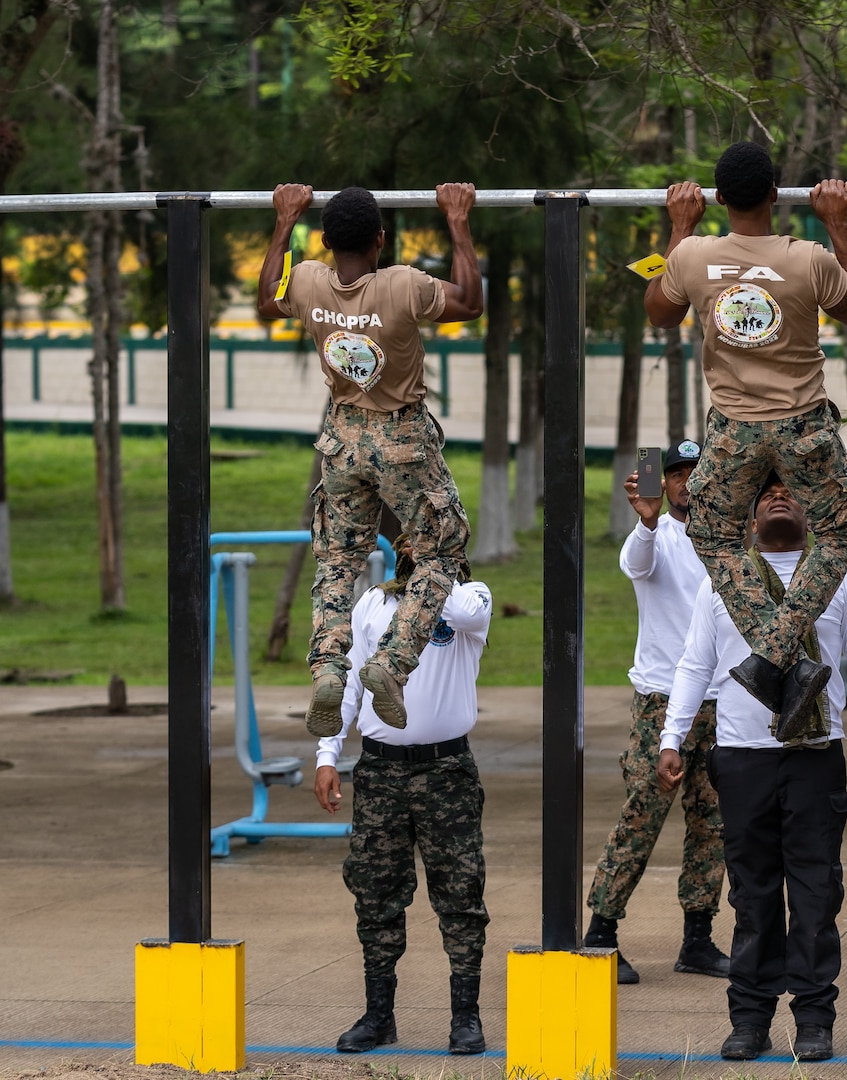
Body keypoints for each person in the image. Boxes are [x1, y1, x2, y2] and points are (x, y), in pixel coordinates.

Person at [656, 473, 847, 1064]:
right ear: (749, 514)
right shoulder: (725, 585)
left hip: (814, 761)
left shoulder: (837, 583)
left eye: (789, 488)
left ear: (812, 510)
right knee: (753, 895)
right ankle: (750, 1018)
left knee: (817, 894)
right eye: (764, 491)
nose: (777, 496)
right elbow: (694, 666)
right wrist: (671, 735)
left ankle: (815, 1018)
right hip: (742, 761)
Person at [646, 141, 847, 740]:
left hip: (734, 430)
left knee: (712, 534)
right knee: (844, 529)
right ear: (777, 195)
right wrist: (839, 225)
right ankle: (780, 655)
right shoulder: (809, 258)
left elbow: (658, 312)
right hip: (803, 424)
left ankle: (773, 655)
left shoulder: (693, 256)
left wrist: (677, 229)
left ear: (718, 198)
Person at [258, 183, 483, 737]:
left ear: (326, 240)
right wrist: (457, 220)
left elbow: (267, 301)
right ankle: (391, 663)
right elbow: (471, 302)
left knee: (337, 561)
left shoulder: (308, 279)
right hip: (401, 437)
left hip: (341, 437)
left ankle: (330, 671)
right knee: (440, 552)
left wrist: (284, 221)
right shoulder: (403, 285)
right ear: (381, 239)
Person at [312, 538, 494, 1055]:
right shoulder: (374, 603)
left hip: (446, 772)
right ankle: (378, 1016)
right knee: (375, 895)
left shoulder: (470, 598)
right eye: (411, 533)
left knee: (460, 896)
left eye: (429, 531)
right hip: (381, 771)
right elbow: (347, 682)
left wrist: (439, 561)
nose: (417, 541)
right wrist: (328, 753)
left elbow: (454, 603)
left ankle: (465, 1017)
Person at [583, 441, 729, 985]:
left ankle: (698, 938)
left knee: (712, 822)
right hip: (663, 702)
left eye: (696, 472)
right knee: (643, 814)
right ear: (662, 485)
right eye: (676, 474)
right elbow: (635, 564)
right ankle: (600, 934)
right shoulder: (656, 538)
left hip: (722, 703)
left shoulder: (729, 544)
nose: (687, 481)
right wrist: (645, 522)